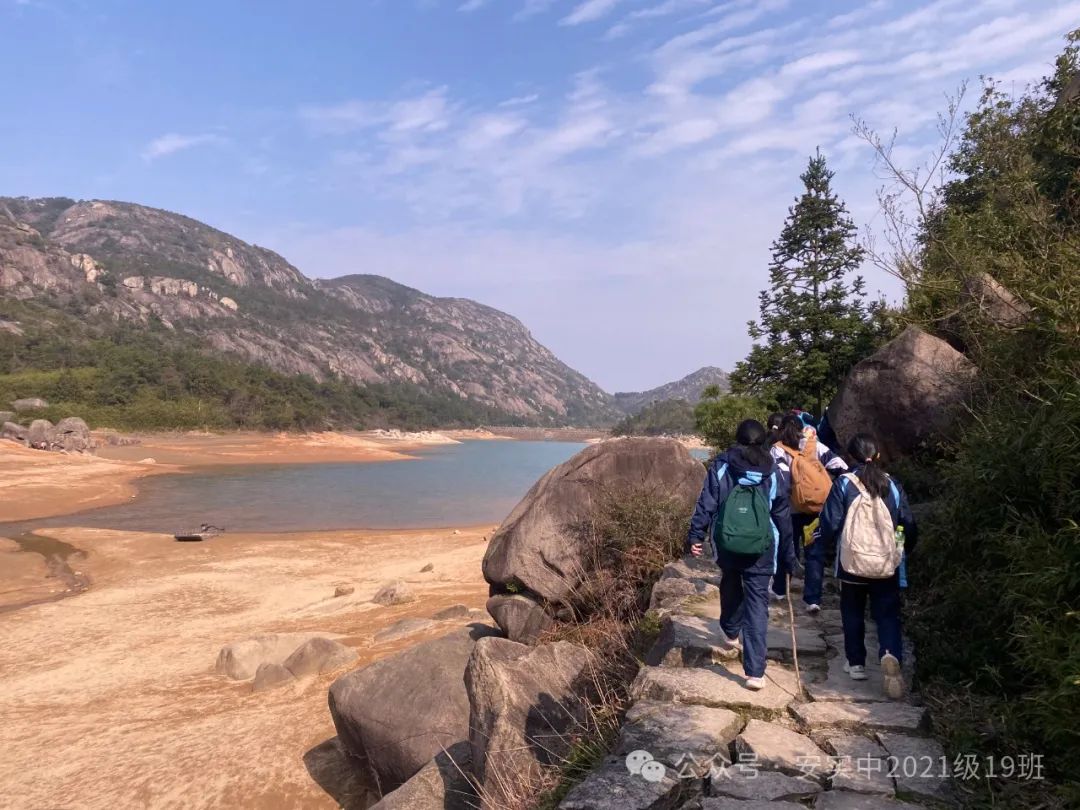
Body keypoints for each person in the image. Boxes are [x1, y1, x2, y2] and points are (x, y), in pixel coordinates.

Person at [687, 419, 798, 691]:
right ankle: (755, 672)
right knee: (757, 604)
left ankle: (730, 629)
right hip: (762, 547)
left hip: (727, 542)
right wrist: (789, 555)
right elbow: (783, 517)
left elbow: (707, 502)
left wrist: (696, 536)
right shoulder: (774, 472)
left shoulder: (723, 466)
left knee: (730, 582)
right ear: (764, 440)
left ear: (737, 439)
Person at [818, 433, 918, 700]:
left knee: (852, 611)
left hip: (852, 563)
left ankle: (856, 663)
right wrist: (903, 550)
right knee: (887, 614)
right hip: (886, 563)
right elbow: (907, 524)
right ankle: (889, 653)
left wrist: (822, 549)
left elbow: (830, 523)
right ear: (877, 455)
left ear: (850, 456)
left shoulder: (844, 484)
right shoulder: (892, 485)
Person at [769, 415, 848, 611]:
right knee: (814, 552)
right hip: (815, 509)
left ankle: (780, 590)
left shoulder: (778, 448)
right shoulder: (816, 446)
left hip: (788, 509)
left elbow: (777, 478)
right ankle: (812, 599)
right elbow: (841, 467)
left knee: (787, 548)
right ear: (802, 428)